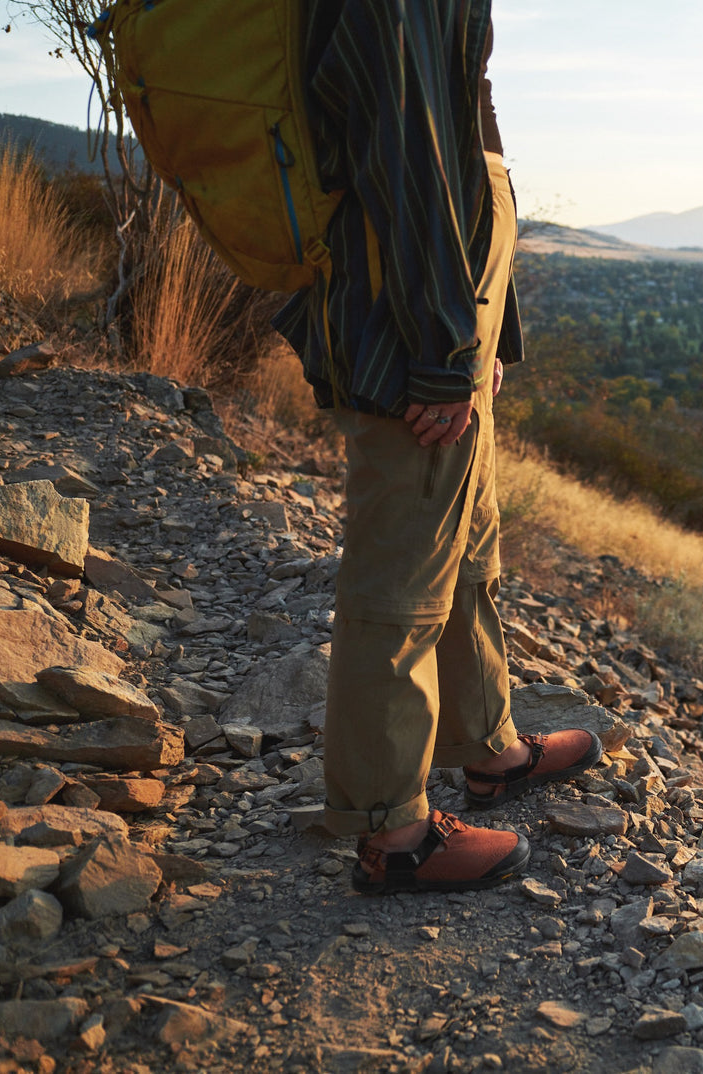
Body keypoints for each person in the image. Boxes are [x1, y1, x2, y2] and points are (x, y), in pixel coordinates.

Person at [274, 0, 602, 895]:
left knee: (467, 536)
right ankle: (394, 832)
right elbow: (408, 152)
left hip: (450, 291)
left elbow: (458, 127)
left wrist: (487, 331)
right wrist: (444, 348)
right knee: (404, 566)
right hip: (413, 301)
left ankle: (484, 745)